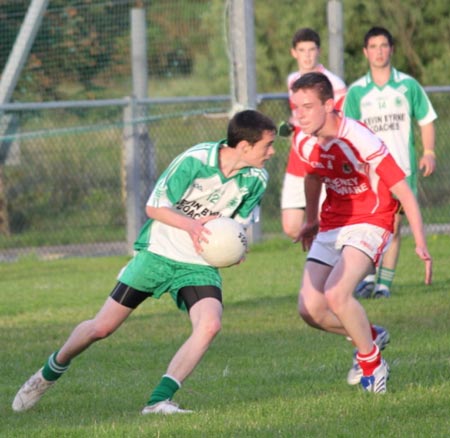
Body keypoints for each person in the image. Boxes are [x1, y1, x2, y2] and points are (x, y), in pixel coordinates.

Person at [12, 110, 277, 415]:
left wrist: (234, 248)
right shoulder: (195, 160)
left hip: (198, 264)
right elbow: (154, 207)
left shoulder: (257, 179)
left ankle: (159, 401)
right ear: (244, 146)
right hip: (158, 253)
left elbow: (236, 227)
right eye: (267, 146)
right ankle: (48, 372)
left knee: (210, 325)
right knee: (101, 328)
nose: (271, 153)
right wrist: (191, 225)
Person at [290, 72, 432, 392]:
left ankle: (372, 364)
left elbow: (404, 191)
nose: (299, 114)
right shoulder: (304, 139)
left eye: (307, 106)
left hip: (371, 220)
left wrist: (420, 243)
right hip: (333, 222)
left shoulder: (359, 137)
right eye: (296, 107)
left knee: (337, 294)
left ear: (329, 105)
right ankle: (372, 334)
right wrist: (311, 219)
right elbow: (312, 177)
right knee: (310, 309)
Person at [344, 26, 437, 299]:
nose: (379, 52)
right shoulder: (357, 92)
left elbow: (426, 119)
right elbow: (347, 131)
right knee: (369, 227)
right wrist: (352, 162)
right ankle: (369, 278)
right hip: (369, 172)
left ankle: (384, 284)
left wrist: (429, 151)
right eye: (373, 47)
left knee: (394, 226)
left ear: (391, 49)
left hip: (401, 169)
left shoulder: (408, 86)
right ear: (365, 52)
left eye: (383, 46)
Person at [280, 27, 346, 241]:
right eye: (302, 50)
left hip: (322, 157)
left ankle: (328, 269)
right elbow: (299, 115)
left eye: (311, 49)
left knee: (323, 223)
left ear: (318, 51)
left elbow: (340, 122)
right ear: (294, 53)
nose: (307, 55)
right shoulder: (292, 80)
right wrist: (292, 125)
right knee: (291, 226)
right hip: (298, 158)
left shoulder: (333, 84)